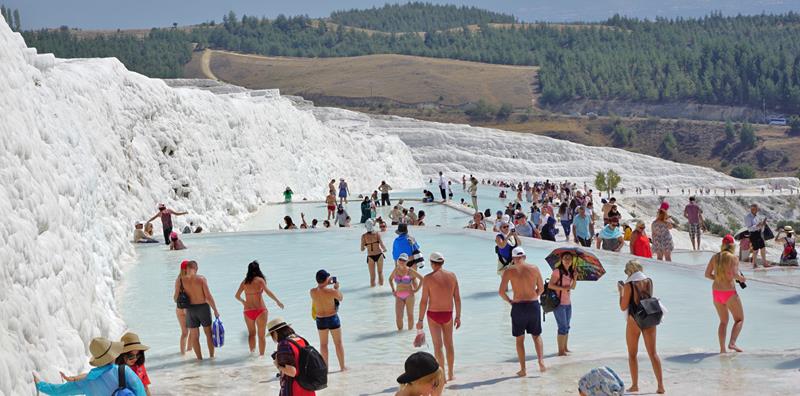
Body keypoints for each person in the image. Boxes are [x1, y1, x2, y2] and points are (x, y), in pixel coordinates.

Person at [34, 337, 146, 396]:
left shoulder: (87, 381)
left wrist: (40, 384)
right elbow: (141, 392)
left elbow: (59, 392)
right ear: (113, 355)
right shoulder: (124, 371)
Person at [617, 260, 665, 394]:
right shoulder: (649, 281)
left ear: (629, 271)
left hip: (635, 321)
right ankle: (661, 386)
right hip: (649, 317)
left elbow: (623, 307)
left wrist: (620, 292)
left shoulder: (629, 285)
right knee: (653, 353)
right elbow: (646, 299)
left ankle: (635, 385)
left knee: (632, 355)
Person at [498, 247, 546, 375]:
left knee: (520, 339)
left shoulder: (509, 271)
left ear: (513, 259)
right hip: (533, 305)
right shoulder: (534, 268)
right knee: (536, 336)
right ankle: (541, 361)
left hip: (518, 306)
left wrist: (510, 301)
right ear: (524, 256)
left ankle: (523, 369)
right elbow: (541, 289)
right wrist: (534, 295)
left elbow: (501, 292)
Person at [417, 252, 461, 381]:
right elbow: (457, 299)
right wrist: (458, 316)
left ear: (431, 263)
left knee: (438, 346)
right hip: (448, 314)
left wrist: (420, 320)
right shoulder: (452, 276)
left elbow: (424, 301)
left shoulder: (428, 278)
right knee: (449, 344)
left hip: (433, 314)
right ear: (442, 262)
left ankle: (442, 376)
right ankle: (451, 373)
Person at [704, 235, 746, 353]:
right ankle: (732, 343)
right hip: (729, 292)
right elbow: (734, 274)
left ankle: (722, 350)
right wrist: (742, 279)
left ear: (722, 245)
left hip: (716, 292)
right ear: (732, 245)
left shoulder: (715, 257)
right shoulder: (733, 258)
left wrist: (718, 278)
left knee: (723, 322)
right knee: (739, 319)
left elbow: (707, 274)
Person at [235, 261, 285, 356]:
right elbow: (268, 292)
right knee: (261, 336)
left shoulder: (244, 282)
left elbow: (237, 296)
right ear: (258, 269)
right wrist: (277, 301)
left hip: (248, 311)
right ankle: (261, 357)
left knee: (251, 334)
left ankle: (252, 355)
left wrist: (244, 302)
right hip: (260, 310)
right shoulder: (260, 280)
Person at [173, 260, 220, 360]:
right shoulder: (201, 279)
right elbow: (208, 297)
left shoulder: (180, 280)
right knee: (208, 334)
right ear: (196, 269)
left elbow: (175, 298)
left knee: (194, 336)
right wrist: (215, 310)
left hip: (190, 310)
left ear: (186, 269)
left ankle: (199, 359)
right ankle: (211, 357)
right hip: (203, 308)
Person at [269, 317, 316, 396]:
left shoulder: (284, 344)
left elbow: (292, 372)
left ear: (275, 333)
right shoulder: (300, 339)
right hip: (308, 385)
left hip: (294, 388)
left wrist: (278, 365)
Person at [310, 270, 346, 371]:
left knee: (323, 345)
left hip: (320, 319)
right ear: (326, 279)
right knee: (338, 344)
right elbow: (340, 298)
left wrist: (325, 283)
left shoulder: (312, 292)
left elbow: (320, 290)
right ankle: (342, 367)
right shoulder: (331, 291)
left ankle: (325, 368)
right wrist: (336, 288)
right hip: (332, 318)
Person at [549, 252, 576, 356]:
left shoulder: (570, 272)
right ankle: (560, 351)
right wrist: (562, 288)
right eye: (566, 258)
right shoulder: (557, 272)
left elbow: (573, 287)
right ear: (561, 259)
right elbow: (551, 285)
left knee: (567, 326)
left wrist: (575, 277)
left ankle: (565, 348)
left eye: (570, 258)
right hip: (559, 303)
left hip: (568, 303)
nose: (568, 260)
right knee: (562, 327)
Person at [389, 255, 424, 330]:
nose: (401, 261)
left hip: (409, 295)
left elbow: (422, 279)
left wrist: (416, 290)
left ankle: (409, 335)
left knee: (410, 316)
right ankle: (400, 335)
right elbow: (390, 279)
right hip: (399, 295)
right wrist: (393, 290)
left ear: (407, 261)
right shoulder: (395, 270)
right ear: (398, 260)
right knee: (398, 317)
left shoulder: (410, 270)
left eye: (404, 260)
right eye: (400, 259)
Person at [744, 204, 772, 268]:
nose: (756, 211)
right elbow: (749, 228)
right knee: (755, 249)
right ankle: (754, 264)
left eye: (757, 209)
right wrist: (757, 225)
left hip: (759, 233)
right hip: (753, 234)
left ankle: (765, 263)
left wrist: (762, 224)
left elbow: (759, 226)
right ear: (752, 209)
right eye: (755, 209)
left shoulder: (757, 216)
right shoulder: (748, 217)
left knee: (763, 247)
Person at [360, 219, 387, 287]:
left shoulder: (364, 236)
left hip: (370, 256)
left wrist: (367, 245)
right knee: (380, 273)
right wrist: (385, 249)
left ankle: (373, 292)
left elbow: (362, 249)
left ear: (366, 226)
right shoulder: (377, 234)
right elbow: (382, 244)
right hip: (379, 255)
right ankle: (381, 290)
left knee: (372, 275)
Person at [175, 261, 192, 355]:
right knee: (193, 332)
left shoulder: (178, 280)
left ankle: (183, 355)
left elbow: (175, 297)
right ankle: (190, 351)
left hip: (179, 308)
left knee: (184, 332)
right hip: (189, 308)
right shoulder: (191, 279)